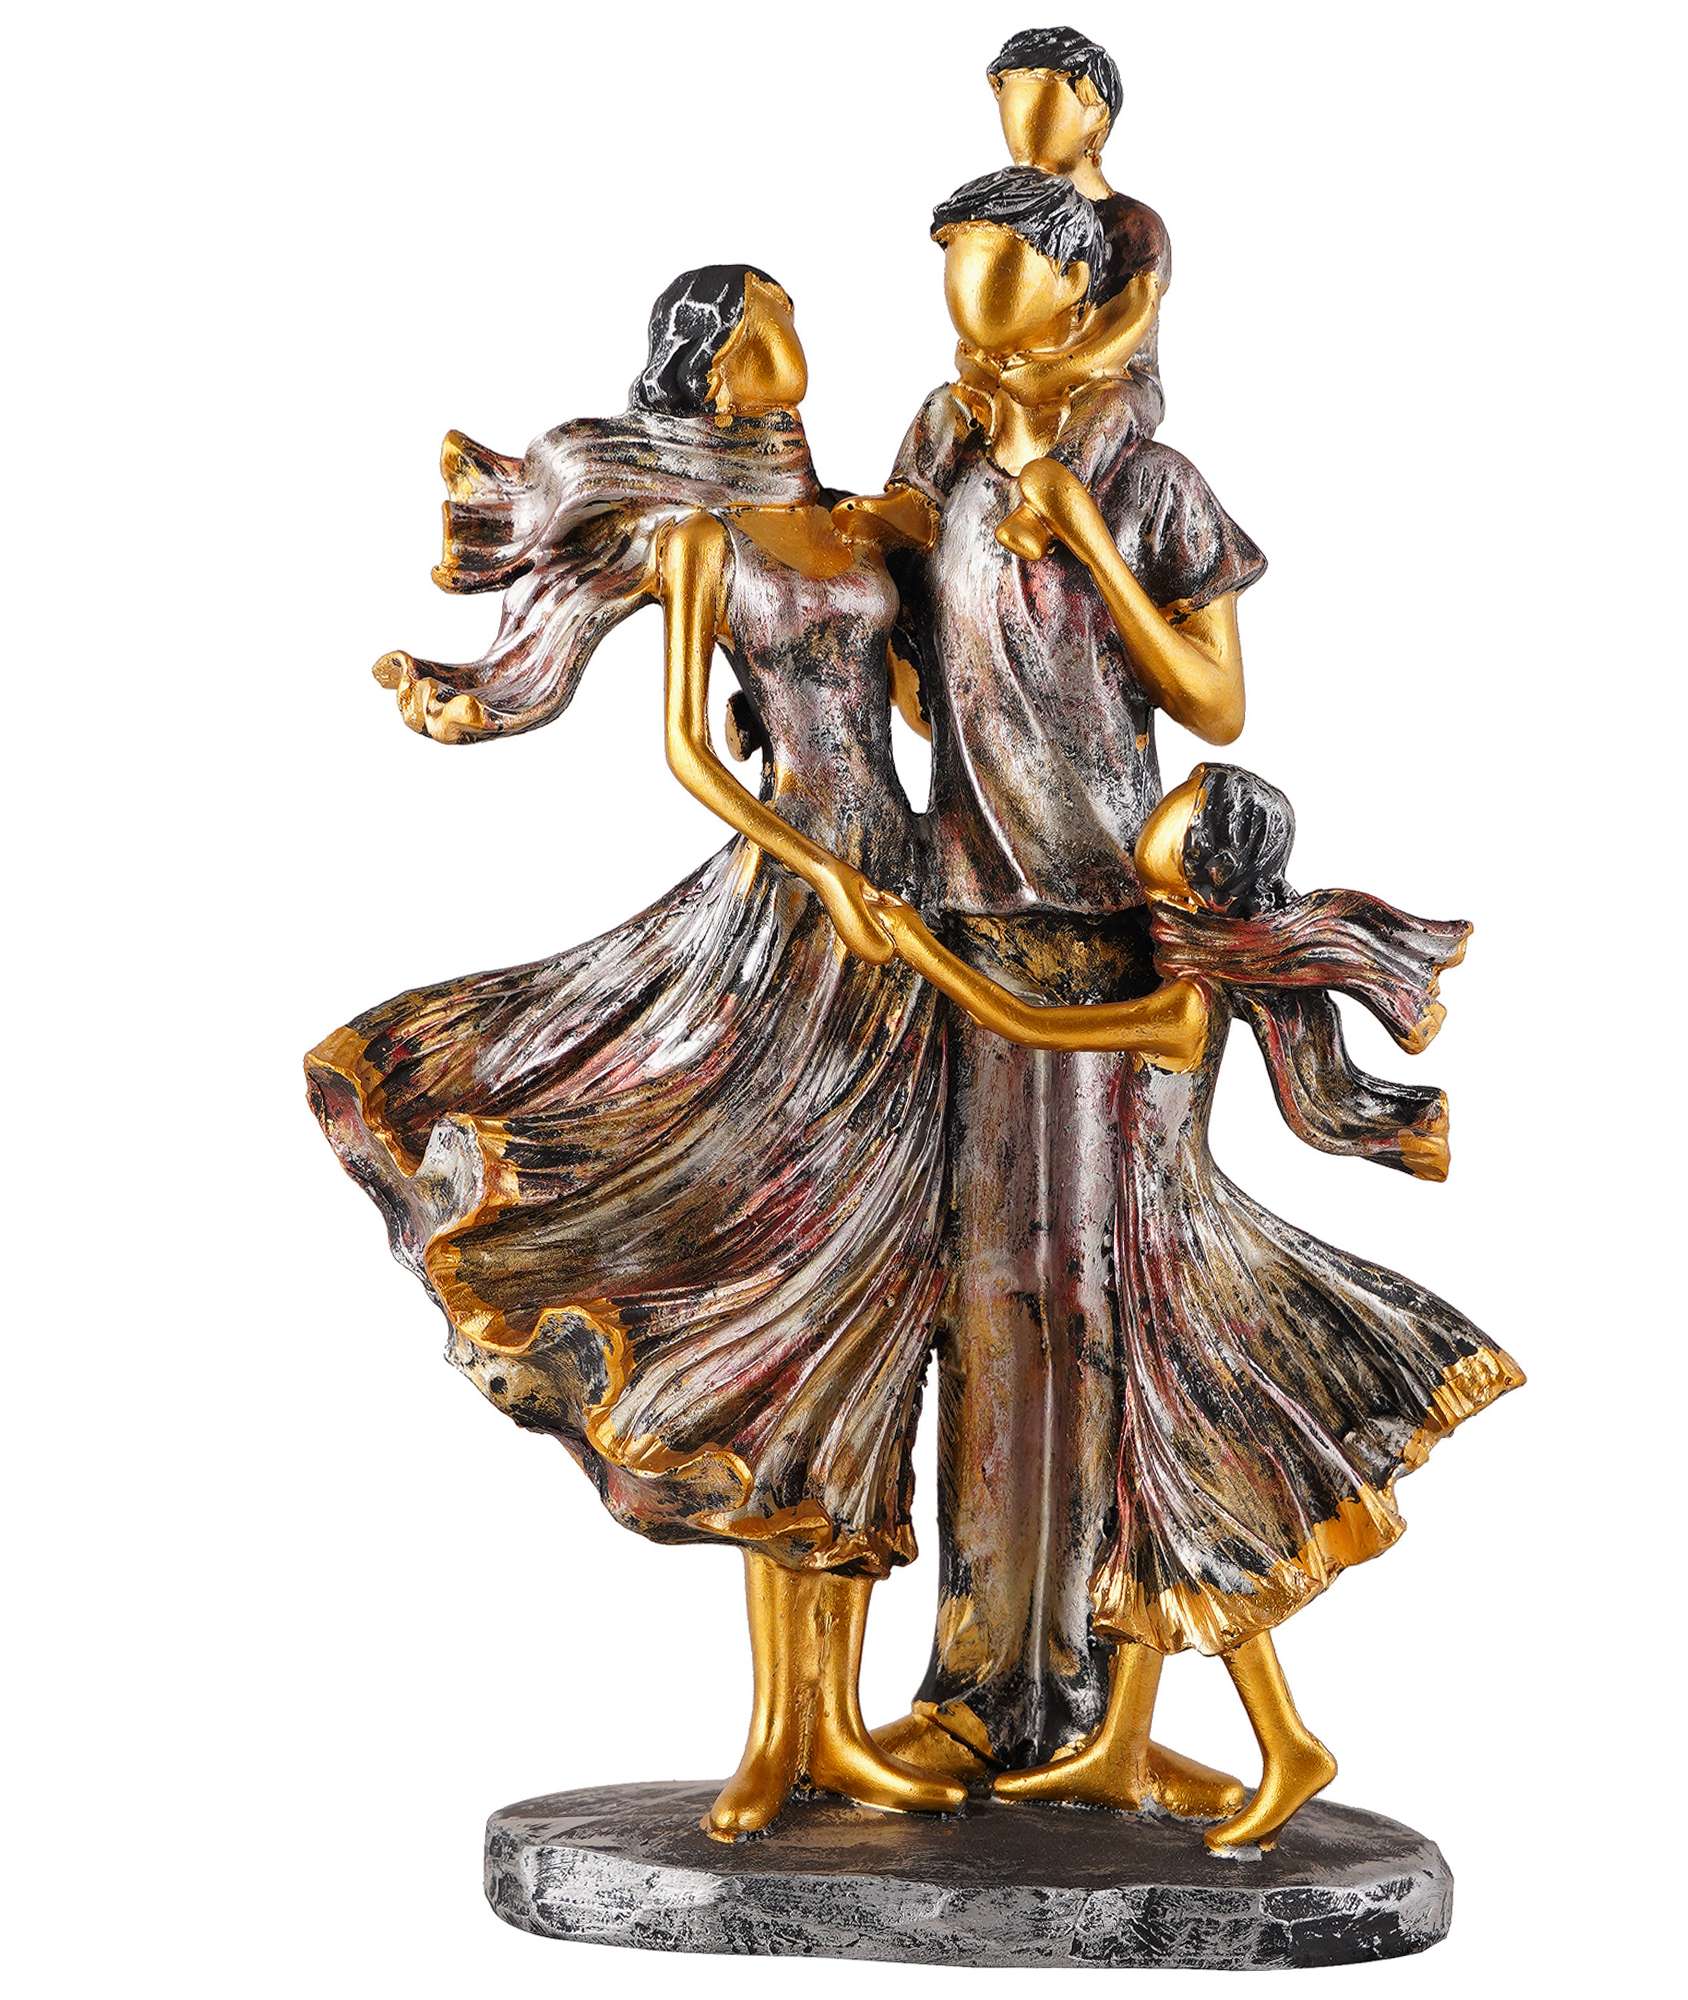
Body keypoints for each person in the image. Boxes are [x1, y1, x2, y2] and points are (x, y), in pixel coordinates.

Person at [306, 265, 964, 1841]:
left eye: (790, 315)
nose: (792, 342)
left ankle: (837, 1729)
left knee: (867, 1296)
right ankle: (779, 1733)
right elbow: (690, 748)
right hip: (804, 903)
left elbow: (928, 697)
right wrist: (819, 874)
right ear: (713, 367)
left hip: (909, 890)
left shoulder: (856, 525)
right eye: (761, 324)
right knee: (778, 1272)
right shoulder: (699, 539)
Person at [864, 763, 1524, 1848]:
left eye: (1163, 856)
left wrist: (925, 952)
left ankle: (1286, 1743)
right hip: (1142, 1254)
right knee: (1141, 1513)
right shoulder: (1181, 971)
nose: (1141, 860)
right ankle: (1118, 1746)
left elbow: (1029, 1023)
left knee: (1183, 1512)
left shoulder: (1182, 1004)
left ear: (1204, 886)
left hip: (1167, 1262)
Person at [861, 165, 1268, 1811]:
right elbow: (896, 653)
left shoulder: (1153, 481)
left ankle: (1099, 1694)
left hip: (1114, 923)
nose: (968, 284)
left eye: (997, 257)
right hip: (964, 907)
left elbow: (1214, 702)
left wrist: (1083, 534)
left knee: (1098, 1302)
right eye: (954, 256)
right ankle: (981, 1688)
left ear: (1072, 281)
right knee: (977, 1301)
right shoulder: (942, 449)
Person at [967, 25, 1169, 490]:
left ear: (1094, 112)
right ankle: (914, 497)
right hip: (1020, 377)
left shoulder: (1135, 226)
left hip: (1112, 377)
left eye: (1040, 115)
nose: (1022, 137)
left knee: (1109, 405)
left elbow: (1133, 321)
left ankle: (1058, 493)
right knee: (950, 401)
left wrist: (1060, 373)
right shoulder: (1012, 215)